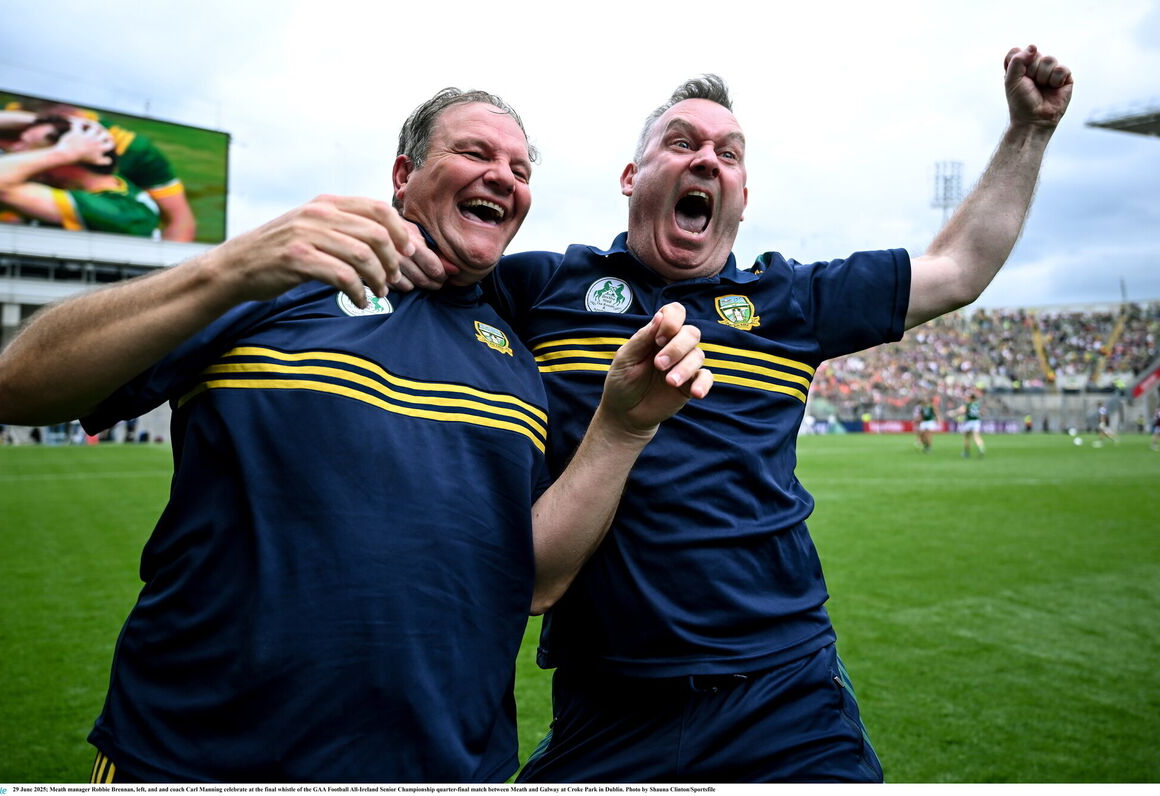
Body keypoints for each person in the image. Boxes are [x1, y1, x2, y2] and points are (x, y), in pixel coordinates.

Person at [0, 88, 711, 783]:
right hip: (190, 761)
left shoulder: (516, 363)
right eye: (476, 153)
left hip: (445, 772)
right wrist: (231, 265)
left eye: (521, 169)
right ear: (404, 174)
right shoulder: (273, 285)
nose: (504, 176)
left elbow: (536, 580)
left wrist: (621, 428)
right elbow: (13, 389)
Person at [400, 45, 1071, 782]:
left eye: (729, 153)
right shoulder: (543, 287)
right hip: (605, 702)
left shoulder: (791, 301)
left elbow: (959, 269)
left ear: (743, 196)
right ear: (631, 179)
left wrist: (1027, 133)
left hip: (783, 693)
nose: (707, 160)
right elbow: (433, 272)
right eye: (682, 142)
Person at [0, 105, 197, 240]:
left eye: (25, 147)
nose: (13, 149)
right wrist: (47, 121)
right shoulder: (106, 186)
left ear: (67, 159)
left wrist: (63, 152)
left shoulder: (113, 211)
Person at [955, 391, 986, 458]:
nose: (967, 398)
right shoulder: (977, 404)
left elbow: (962, 411)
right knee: (976, 437)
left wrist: (955, 413)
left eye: (968, 397)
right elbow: (982, 412)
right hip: (976, 422)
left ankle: (966, 453)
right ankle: (981, 449)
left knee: (966, 438)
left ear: (970, 398)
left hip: (970, 422)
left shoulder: (968, 404)